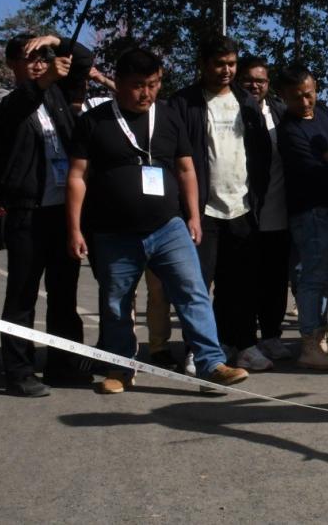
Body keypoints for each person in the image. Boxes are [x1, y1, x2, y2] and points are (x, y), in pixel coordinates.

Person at [65, 47, 250, 394]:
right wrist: (74, 229)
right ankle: (120, 368)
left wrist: (194, 215)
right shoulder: (94, 121)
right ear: (117, 83)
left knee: (192, 292)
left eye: (153, 84)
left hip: (168, 227)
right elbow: (78, 176)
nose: (146, 93)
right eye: (137, 85)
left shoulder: (167, 117)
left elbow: (186, 169)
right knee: (116, 301)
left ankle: (211, 365)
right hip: (113, 233)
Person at [0, 33, 88, 397]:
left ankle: (64, 363)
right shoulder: (3, 99)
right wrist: (43, 80)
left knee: (64, 293)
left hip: (62, 212)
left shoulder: (58, 96)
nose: (38, 64)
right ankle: (18, 370)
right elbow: (18, 108)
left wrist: (58, 39)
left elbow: (85, 60)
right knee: (22, 295)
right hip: (27, 212)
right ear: (12, 64)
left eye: (43, 57)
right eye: (28, 58)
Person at [170, 35, 273, 371]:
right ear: (202, 64)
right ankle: (197, 350)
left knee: (240, 285)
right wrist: (186, 210)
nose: (226, 70)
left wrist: (255, 197)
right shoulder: (184, 103)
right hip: (202, 211)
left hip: (242, 208)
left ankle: (242, 344)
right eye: (219, 64)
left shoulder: (246, 101)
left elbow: (261, 153)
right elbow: (177, 158)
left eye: (231, 63)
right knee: (198, 286)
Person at [275, 64, 328, 370]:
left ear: (316, 88)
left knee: (326, 276)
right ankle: (309, 344)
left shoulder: (324, 112)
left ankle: (321, 339)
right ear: (283, 96)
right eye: (297, 97)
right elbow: (312, 168)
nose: (305, 102)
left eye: (309, 94)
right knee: (312, 277)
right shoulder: (289, 130)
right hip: (309, 211)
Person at [237, 56, 294, 362]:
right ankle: (243, 340)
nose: (255, 85)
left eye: (261, 80)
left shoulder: (281, 112)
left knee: (275, 280)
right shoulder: (234, 111)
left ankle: (271, 335)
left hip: (279, 212)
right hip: (246, 212)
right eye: (249, 79)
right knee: (246, 281)